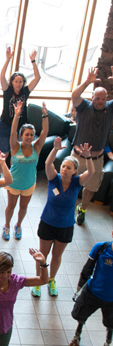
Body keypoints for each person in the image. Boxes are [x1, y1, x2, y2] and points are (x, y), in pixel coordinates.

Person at [32, 140, 94, 298]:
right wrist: (55, 149)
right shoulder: (54, 178)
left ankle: (51, 279)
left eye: (68, 167)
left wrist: (88, 158)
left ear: (74, 171)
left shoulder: (76, 183)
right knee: (42, 255)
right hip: (47, 223)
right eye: (63, 166)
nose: (65, 169)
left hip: (65, 227)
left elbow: (91, 173)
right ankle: (40, 280)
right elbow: (48, 163)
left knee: (57, 256)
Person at [70, 66, 113, 226]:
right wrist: (87, 82)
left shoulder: (109, 109)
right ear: (92, 97)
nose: (100, 101)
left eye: (103, 99)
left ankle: (83, 209)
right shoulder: (84, 108)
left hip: (96, 158)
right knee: (70, 183)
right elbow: (74, 95)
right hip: (78, 157)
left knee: (91, 188)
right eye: (97, 98)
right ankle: (69, 207)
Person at [2, 101, 48, 241]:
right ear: (21, 135)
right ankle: (7, 225)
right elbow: (12, 132)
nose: (29, 137)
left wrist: (45, 115)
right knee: (11, 206)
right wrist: (16, 115)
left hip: (29, 184)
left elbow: (45, 132)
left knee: (23, 207)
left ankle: (18, 225)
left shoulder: (37, 147)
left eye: (31, 135)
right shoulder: (16, 146)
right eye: (27, 134)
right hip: (14, 182)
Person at [68, 232, 113, 346]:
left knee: (111, 324)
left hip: (111, 300)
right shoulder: (100, 248)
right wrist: (78, 288)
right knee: (80, 316)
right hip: (92, 292)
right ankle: (76, 338)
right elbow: (88, 268)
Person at [0, 46, 41, 153]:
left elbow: (37, 77)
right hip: (5, 125)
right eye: (16, 81)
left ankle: (14, 170)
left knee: (16, 152)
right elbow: (2, 76)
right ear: (12, 82)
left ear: (23, 83)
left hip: (20, 126)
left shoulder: (25, 91)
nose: (18, 84)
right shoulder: (7, 91)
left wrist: (33, 61)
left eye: (20, 82)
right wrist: (8, 60)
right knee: (3, 153)